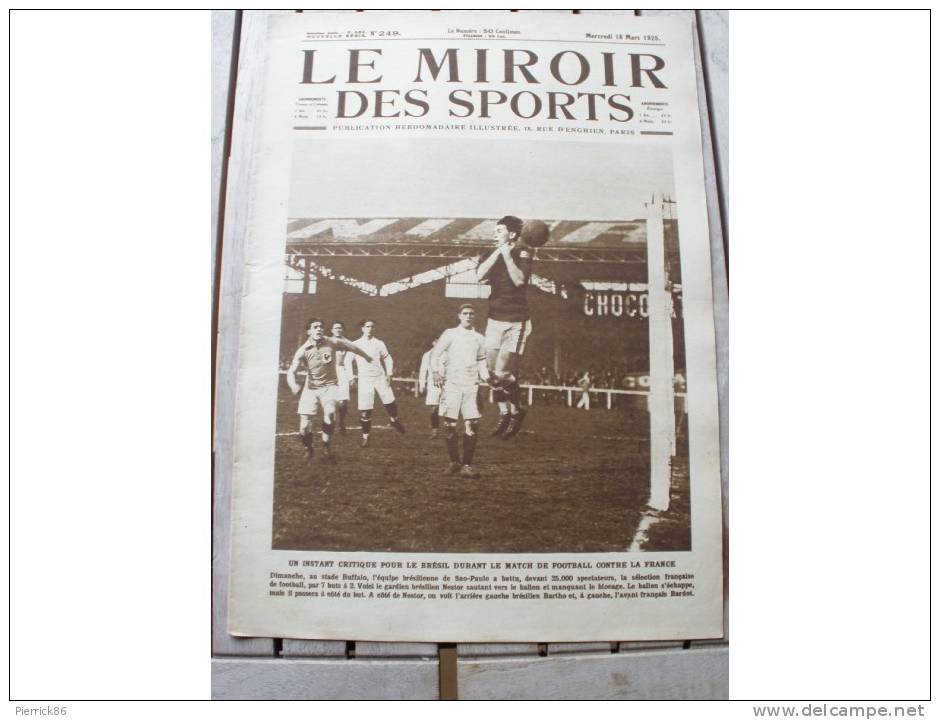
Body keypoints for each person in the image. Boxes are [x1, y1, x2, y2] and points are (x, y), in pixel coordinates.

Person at [285, 318, 373, 464]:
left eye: (321, 326)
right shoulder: (303, 351)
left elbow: (351, 347)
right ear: (309, 331)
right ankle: (309, 448)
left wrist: (366, 356)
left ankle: (326, 445)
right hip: (310, 388)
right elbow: (291, 372)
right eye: (315, 327)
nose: (319, 329)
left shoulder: (331, 342)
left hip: (330, 386)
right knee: (304, 425)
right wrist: (293, 385)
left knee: (331, 413)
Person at [476, 215, 533, 439]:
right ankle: (505, 413)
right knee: (492, 375)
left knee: (502, 372)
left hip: (516, 322)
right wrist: (499, 252)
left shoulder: (523, 252)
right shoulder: (492, 252)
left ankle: (516, 411)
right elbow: (479, 275)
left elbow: (519, 280)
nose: (495, 234)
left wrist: (507, 254)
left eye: (499, 231)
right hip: (494, 320)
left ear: (512, 234)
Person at [430, 304, 490, 478]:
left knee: (472, 425)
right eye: (465, 313)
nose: (468, 316)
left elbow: (481, 361)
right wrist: (435, 372)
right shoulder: (450, 334)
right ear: (459, 316)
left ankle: (467, 465)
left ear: (475, 317)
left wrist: (487, 378)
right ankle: (454, 462)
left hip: (471, 385)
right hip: (452, 385)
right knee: (450, 424)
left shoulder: (479, 338)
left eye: (472, 313)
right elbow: (436, 354)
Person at [344, 318, 406, 447]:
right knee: (366, 410)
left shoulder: (379, 343)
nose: (370, 329)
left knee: (390, 402)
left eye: (372, 326)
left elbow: (387, 357)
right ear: (362, 328)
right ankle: (366, 437)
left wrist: (389, 373)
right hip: (365, 380)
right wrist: (351, 378)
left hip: (380, 377)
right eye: (367, 326)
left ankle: (394, 419)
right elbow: (347, 361)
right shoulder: (355, 344)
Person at [418, 338, 442, 439]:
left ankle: (450, 430)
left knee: (450, 408)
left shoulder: (448, 354)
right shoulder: (427, 355)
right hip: (433, 385)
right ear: (433, 342)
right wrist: (422, 385)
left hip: (448, 384)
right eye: (436, 341)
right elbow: (423, 371)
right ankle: (434, 431)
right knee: (433, 408)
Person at [330, 321, 351, 433]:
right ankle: (331, 422)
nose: (338, 330)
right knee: (332, 398)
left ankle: (342, 424)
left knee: (344, 400)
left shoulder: (347, 342)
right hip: (330, 371)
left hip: (342, 371)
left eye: (340, 328)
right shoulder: (327, 342)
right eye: (336, 328)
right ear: (332, 330)